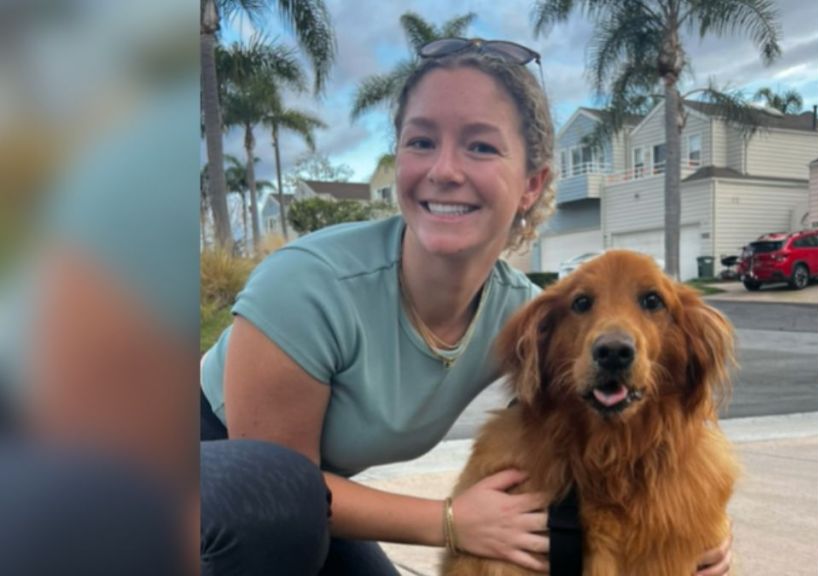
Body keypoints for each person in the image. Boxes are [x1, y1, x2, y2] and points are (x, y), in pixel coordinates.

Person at [199, 38, 732, 576]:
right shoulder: (308, 284)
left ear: (532, 184)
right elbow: (275, 492)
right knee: (277, 506)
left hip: (310, 503)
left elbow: (664, 413)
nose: (445, 170)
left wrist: (696, 518)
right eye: (421, 141)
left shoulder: (536, 321)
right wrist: (451, 519)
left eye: (480, 147)